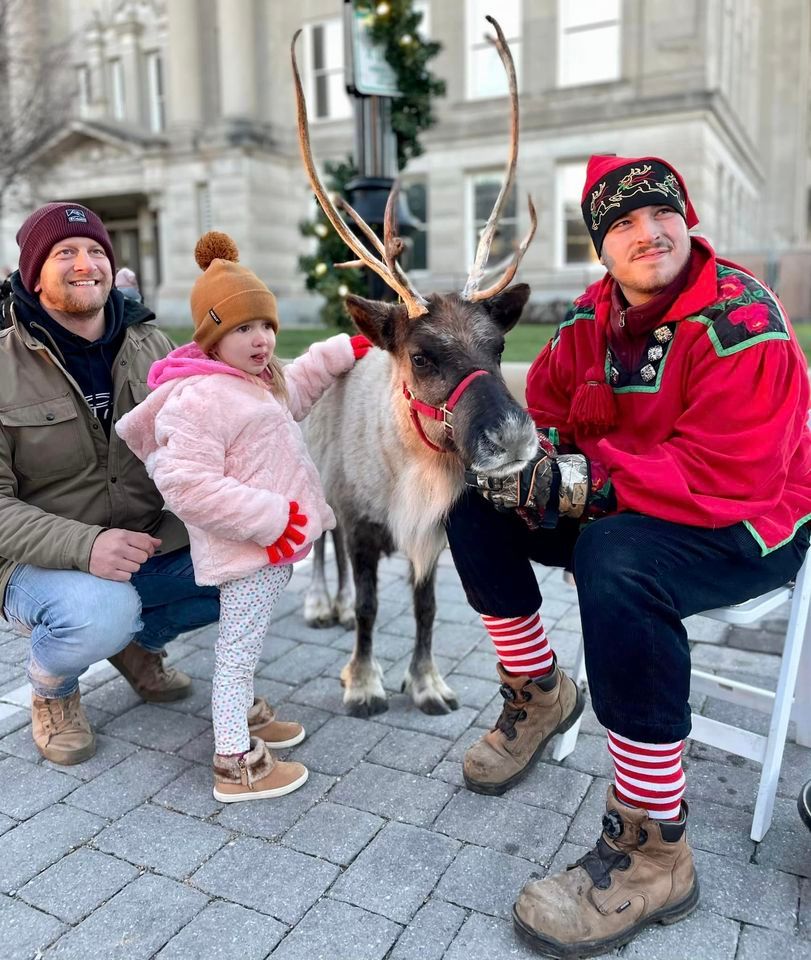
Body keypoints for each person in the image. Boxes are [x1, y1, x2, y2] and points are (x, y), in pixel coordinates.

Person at [446, 154, 811, 956]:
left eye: (659, 213)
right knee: (473, 503)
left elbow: (730, 473)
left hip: (750, 519)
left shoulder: (741, 322)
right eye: (621, 223)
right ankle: (538, 692)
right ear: (601, 247)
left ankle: (654, 851)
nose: (647, 233)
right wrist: (527, 464)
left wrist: (579, 483)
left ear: (685, 218)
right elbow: (546, 407)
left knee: (615, 559)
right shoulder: (590, 316)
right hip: (628, 497)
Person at [117, 231, 371, 803]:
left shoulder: (252, 381)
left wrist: (335, 355)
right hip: (248, 549)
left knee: (245, 647)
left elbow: (293, 394)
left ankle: (245, 723)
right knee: (236, 653)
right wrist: (271, 519)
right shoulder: (201, 398)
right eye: (242, 329)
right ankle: (233, 762)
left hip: (270, 549)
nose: (261, 339)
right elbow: (186, 484)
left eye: (265, 325)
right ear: (212, 336)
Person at [0, 201, 221, 765]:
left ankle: (135, 646)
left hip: (143, 540)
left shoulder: (154, 346)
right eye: (65, 252)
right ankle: (53, 689)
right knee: (100, 610)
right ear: (34, 273)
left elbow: (202, 441)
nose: (85, 263)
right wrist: (86, 545)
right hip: (36, 561)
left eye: (96, 250)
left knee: (254, 562)